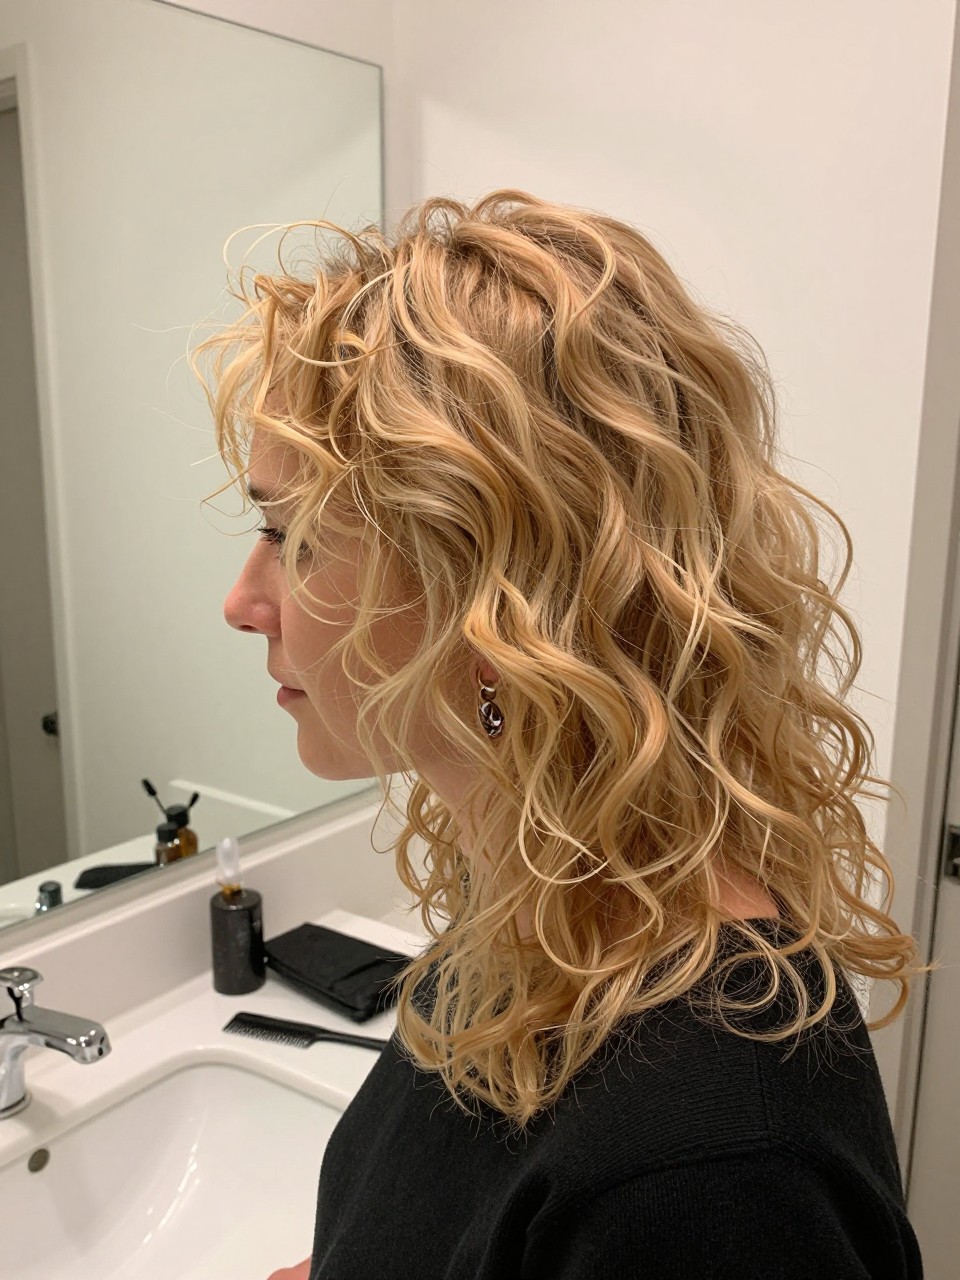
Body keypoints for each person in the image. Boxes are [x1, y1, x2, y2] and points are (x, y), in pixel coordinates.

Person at [191, 189, 932, 1279]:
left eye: (289, 531)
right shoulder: (534, 926)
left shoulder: (709, 1165)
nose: (243, 600)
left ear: (495, 581)